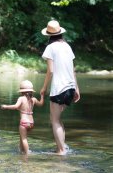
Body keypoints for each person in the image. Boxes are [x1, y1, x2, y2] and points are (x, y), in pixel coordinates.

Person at [39, 20, 80, 155]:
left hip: (59, 89)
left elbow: (50, 71)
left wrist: (44, 88)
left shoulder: (50, 48)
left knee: (54, 120)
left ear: (49, 35)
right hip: (70, 88)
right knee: (58, 119)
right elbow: (73, 69)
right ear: (60, 33)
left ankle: (61, 150)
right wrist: (77, 89)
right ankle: (62, 147)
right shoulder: (67, 46)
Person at [1, 80, 44, 155]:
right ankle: (21, 151)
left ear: (21, 92)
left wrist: (6, 106)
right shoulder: (33, 99)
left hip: (24, 123)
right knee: (21, 137)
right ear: (31, 91)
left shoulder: (21, 98)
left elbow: (15, 106)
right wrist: (42, 96)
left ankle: (27, 153)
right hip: (31, 123)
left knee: (24, 139)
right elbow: (41, 104)